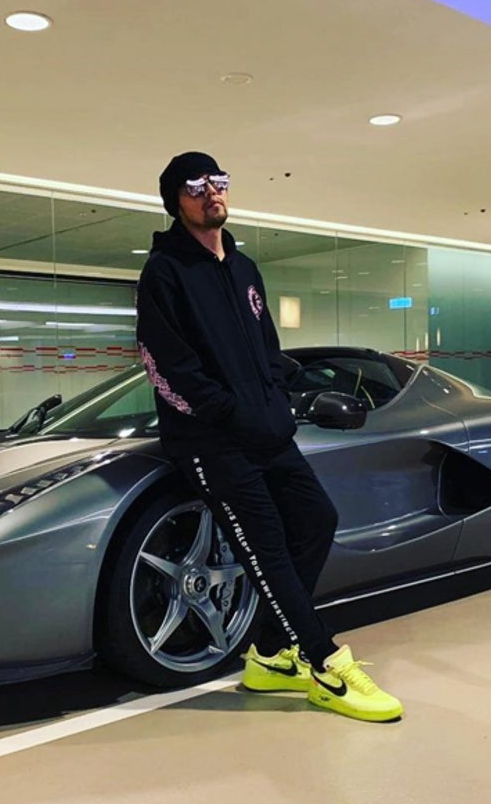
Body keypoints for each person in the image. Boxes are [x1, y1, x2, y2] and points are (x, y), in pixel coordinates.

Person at [135, 151, 403, 723]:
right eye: (196, 186)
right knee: (268, 550)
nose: (212, 192)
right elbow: (166, 366)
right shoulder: (164, 272)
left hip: (269, 434)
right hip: (212, 443)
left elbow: (267, 349)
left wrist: (275, 401)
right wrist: (233, 414)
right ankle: (326, 665)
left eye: (219, 181)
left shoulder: (244, 268)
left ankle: (270, 654)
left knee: (317, 519)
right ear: (175, 201)